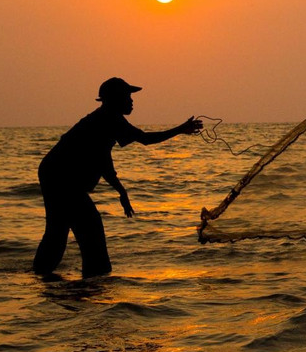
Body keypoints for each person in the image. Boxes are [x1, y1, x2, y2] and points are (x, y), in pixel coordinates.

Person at [33, 77, 202, 278]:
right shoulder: (109, 119)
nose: (131, 101)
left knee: (58, 231)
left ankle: (42, 278)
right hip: (61, 178)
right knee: (88, 229)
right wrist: (181, 129)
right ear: (115, 99)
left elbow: (103, 160)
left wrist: (121, 191)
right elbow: (146, 139)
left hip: (53, 174)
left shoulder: (105, 119)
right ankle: (93, 280)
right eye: (127, 96)